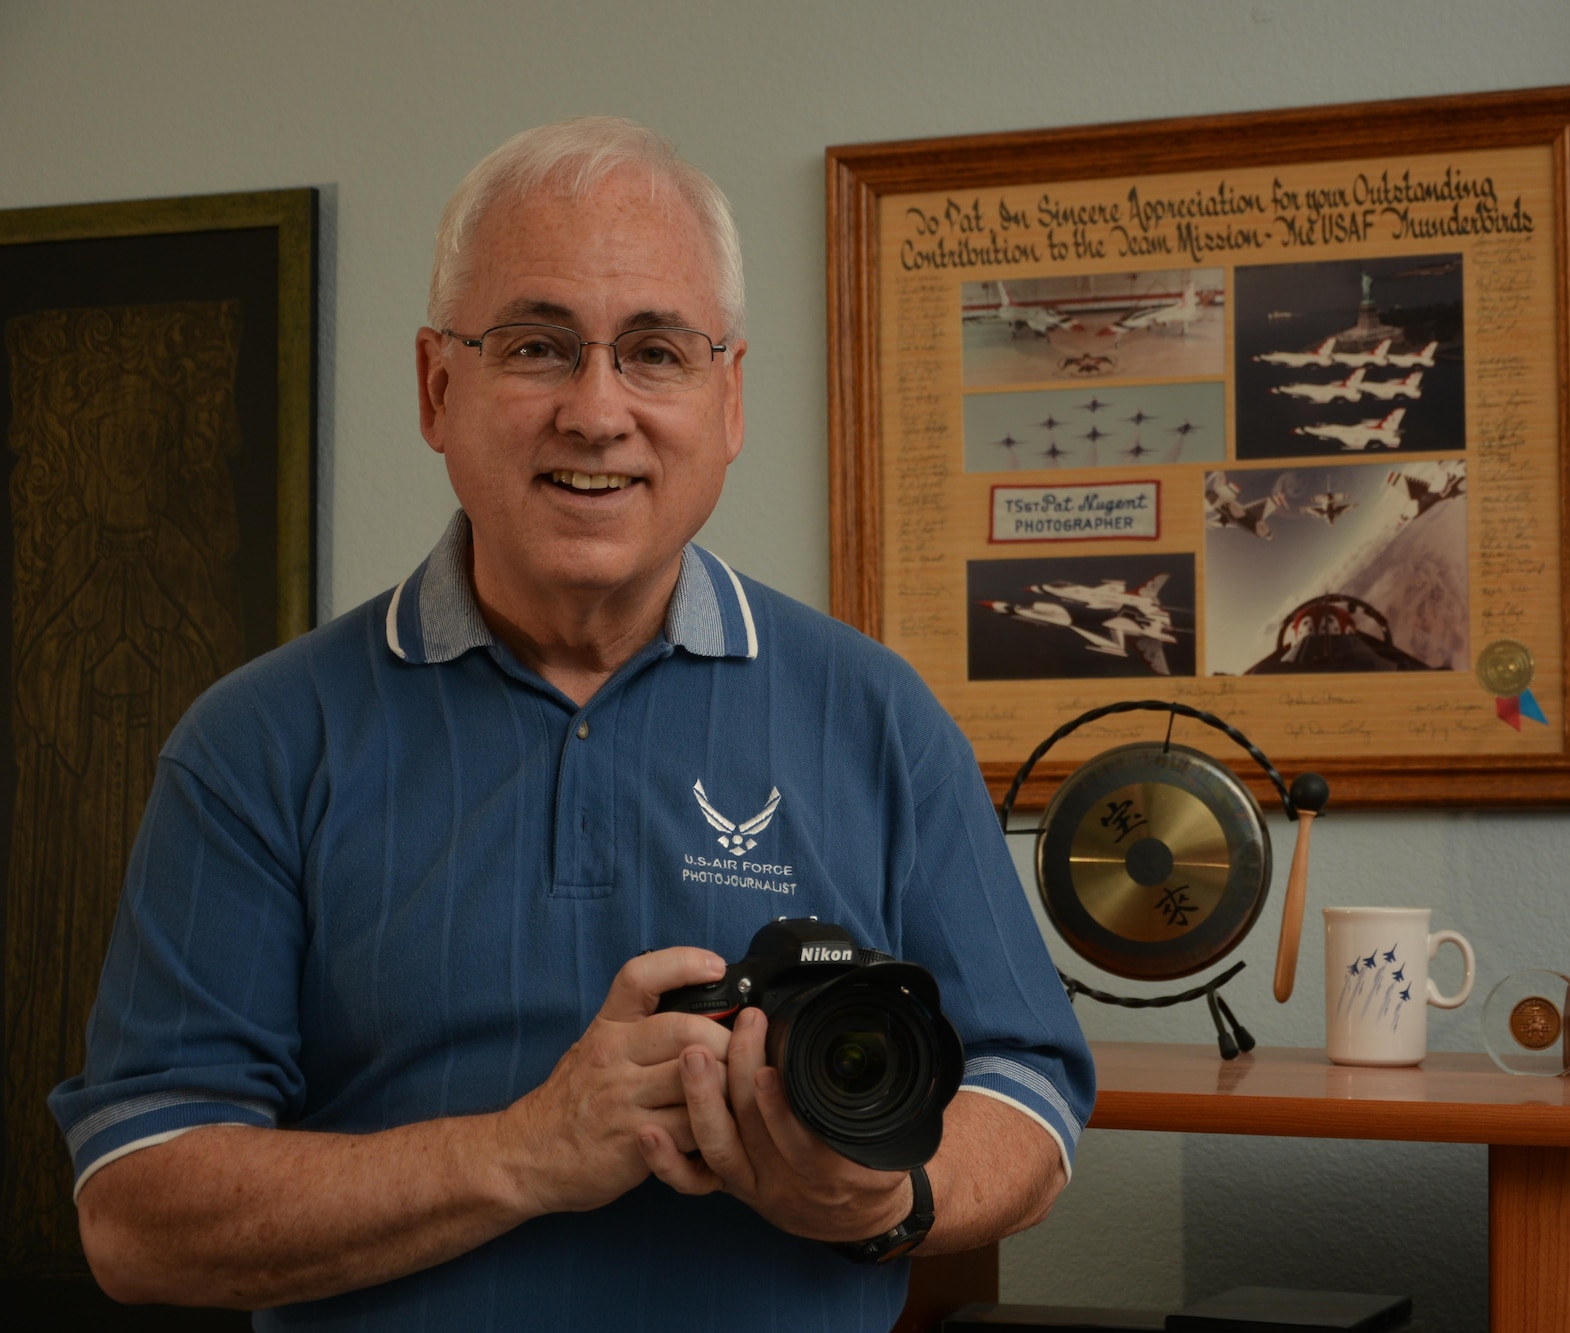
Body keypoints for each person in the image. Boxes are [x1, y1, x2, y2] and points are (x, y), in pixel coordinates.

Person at [50, 117, 1094, 1330]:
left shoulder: (874, 715)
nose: (597, 413)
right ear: (440, 389)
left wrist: (887, 1200)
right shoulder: (257, 743)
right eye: (538, 347)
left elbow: (1029, 1086)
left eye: (655, 351)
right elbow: (136, 1209)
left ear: (728, 399)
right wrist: (526, 1152)